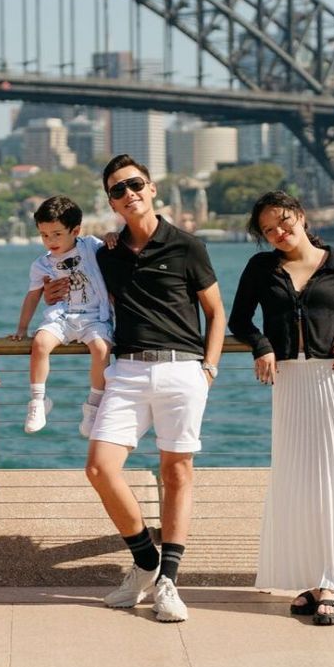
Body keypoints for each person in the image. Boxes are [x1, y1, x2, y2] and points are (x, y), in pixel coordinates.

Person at [81, 154, 225, 622]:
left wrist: (209, 368)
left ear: (152, 187)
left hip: (183, 369)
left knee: (176, 471)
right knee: (101, 468)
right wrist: (56, 293)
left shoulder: (187, 246)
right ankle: (145, 560)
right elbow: (68, 276)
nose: (129, 193)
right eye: (119, 190)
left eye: (135, 184)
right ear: (112, 202)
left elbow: (216, 313)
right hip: (126, 370)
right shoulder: (106, 254)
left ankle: (169, 582)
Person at [229, 191, 334, 626]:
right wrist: (263, 346)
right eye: (268, 229)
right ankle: (310, 579)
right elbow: (239, 320)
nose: (279, 233)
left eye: (284, 222)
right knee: (297, 481)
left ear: (302, 217)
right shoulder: (261, 268)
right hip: (289, 382)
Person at [9, 195, 112, 436]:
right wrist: (22, 329)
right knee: (41, 343)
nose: (50, 241)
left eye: (57, 234)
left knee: (101, 350)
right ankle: (38, 400)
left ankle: (94, 406)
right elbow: (33, 296)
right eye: (44, 235)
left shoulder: (91, 247)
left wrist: (111, 237)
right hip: (63, 316)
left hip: (95, 316)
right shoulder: (41, 264)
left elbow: (113, 249)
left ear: (75, 230)